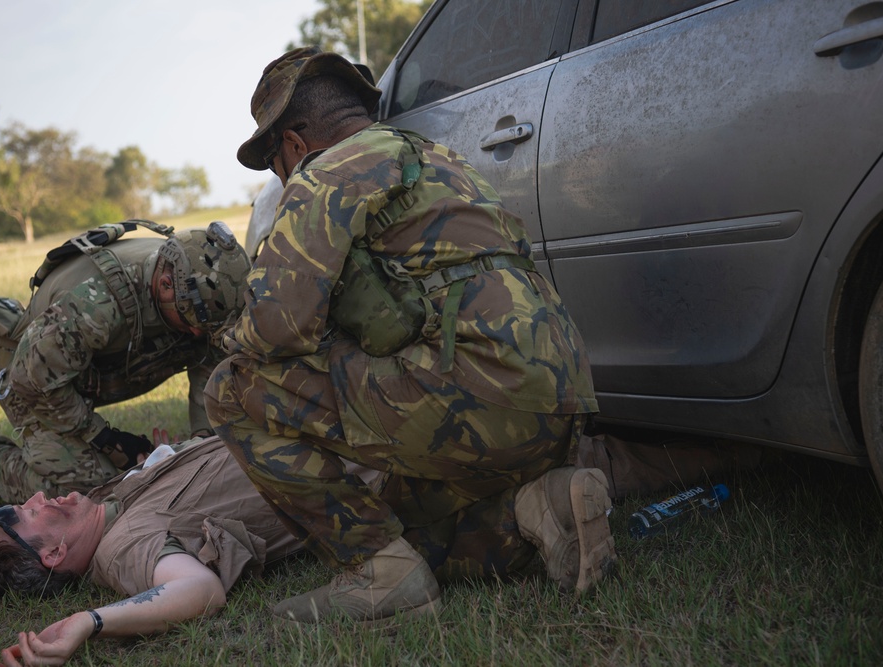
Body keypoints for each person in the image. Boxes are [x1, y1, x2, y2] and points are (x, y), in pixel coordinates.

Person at [204, 46, 616, 624]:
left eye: (275, 158)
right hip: (560, 392)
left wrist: (230, 335)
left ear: (293, 144)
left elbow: (276, 330)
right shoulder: (437, 159)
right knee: (408, 531)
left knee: (232, 388)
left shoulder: (324, 174)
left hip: (479, 389)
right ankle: (543, 506)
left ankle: (377, 575)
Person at [0, 432, 348, 667]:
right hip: (360, 453)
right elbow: (200, 590)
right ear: (54, 554)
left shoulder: (106, 506)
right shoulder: (122, 547)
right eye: (30, 511)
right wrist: (89, 621)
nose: (40, 496)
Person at [0, 221, 251, 504]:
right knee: (91, 490)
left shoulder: (198, 283)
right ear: (166, 283)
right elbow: (30, 378)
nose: (199, 331)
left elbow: (211, 360)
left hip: (82, 366)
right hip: (33, 377)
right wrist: (106, 438)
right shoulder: (97, 305)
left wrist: (201, 444)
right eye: (194, 318)